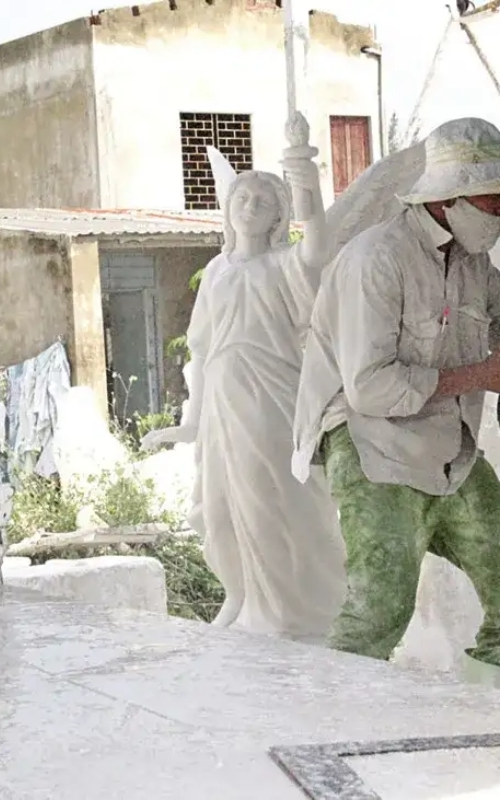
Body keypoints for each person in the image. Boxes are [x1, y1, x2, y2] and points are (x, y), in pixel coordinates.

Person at [291, 118, 500, 692]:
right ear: (448, 200)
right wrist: (483, 373)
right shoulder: (377, 258)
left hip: (446, 447)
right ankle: (325, 735)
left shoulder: (473, 265)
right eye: (492, 200)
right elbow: (370, 388)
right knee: (379, 610)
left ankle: (480, 726)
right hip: (369, 445)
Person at [143, 116, 346, 643]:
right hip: (222, 407)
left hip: (268, 401)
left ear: (279, 215)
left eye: (262, 200)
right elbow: (203, 349)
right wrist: (191, 423)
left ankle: (283, 612)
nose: (250, 207)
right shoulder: (215, 272)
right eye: (242, 199)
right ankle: (241, 594)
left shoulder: (283, 266)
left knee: (268, 502)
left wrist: (305, 178)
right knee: (219, 508)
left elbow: (318, 250)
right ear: (227, 211)